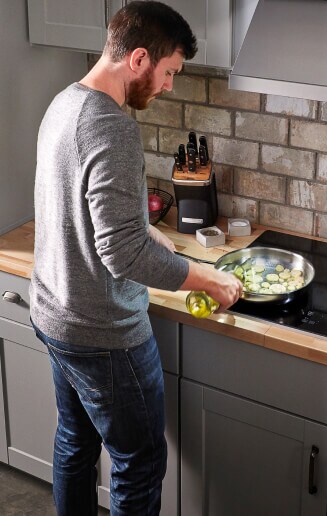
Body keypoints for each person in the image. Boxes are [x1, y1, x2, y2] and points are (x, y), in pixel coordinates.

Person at [30, 2, 243, 514]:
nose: (168, 86)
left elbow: (80, 203)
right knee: (140, 463)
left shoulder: (64, 103)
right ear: (139, 58)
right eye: (169, 72)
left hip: (55, 313)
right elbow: (123, 255)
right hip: (104, 334)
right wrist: (205, 278)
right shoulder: (113, 129)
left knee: (74, 443)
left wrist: (144, 228)